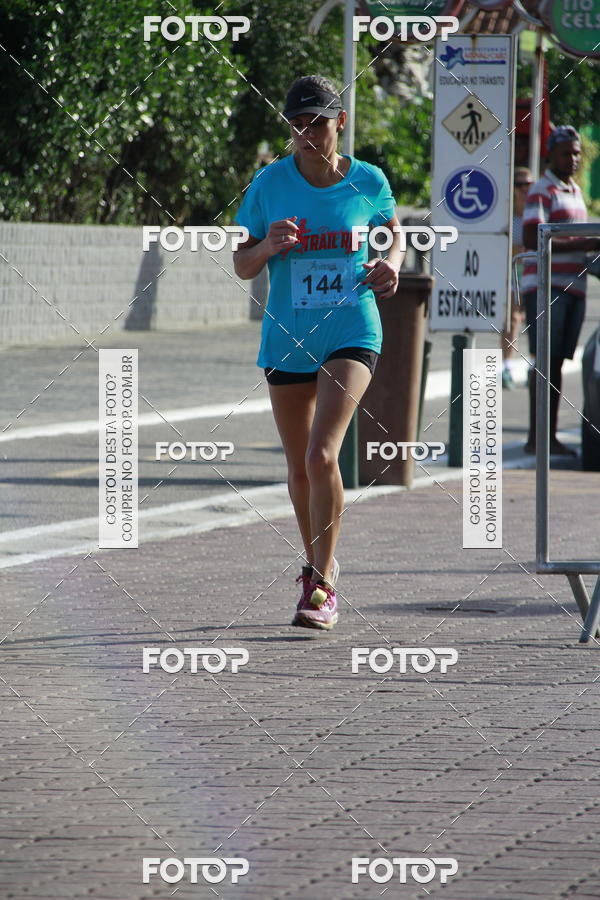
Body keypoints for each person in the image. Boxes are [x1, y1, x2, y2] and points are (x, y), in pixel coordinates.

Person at [233, 75, 404, 630]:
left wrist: (393, 261)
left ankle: (323, 582)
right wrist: (265, 245)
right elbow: (241, 263)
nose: (308, 134)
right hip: (286, 336)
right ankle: (315, 565)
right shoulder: (269, 185)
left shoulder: (368, 181)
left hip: (351, 330)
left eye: (319, 123)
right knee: (298, 470)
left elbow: (394, 230)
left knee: (320, 456)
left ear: (340, 123)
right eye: (298, 125)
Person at [521, 125, 600, 456]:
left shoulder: (575, 191)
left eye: (577, 153)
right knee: (545, 362)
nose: (573, 158)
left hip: (574, 288)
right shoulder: (543, 190)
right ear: (550, 154)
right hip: (546, 287)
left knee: (557, 364)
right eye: (567, 152)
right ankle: (536, 438)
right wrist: (585, 241)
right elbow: (531, 237)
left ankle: (548, 435)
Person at [501, 166, 533, 390]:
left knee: (534, 318)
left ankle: (534, 365)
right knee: (512, 319)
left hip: (533, 271)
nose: (524, 189)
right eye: (520, 184)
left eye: (528, 184)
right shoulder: (508, 215)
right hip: (512, 271)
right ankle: (506, 366)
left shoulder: (536, 212)